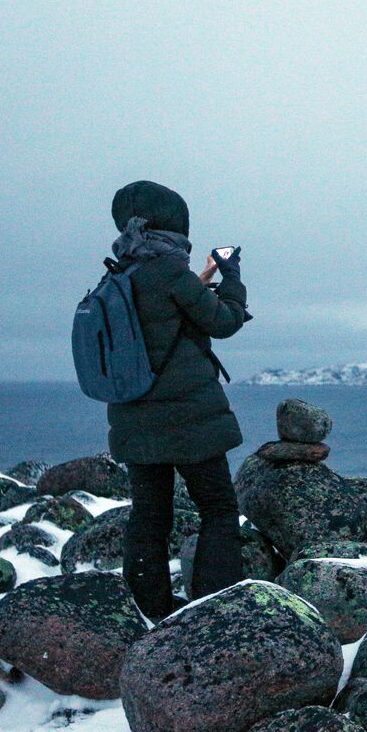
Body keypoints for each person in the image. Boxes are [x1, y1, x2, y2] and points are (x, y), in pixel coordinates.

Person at [105, 180, 248, 620]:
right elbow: (223, 322)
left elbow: (161, 315)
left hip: (134, 417)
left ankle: (149, 610)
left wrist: (197, 281)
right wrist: (232, 276)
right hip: (190, 420)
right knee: (219, 510)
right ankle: (212, 608)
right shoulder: (170, 273)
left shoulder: (119, 273)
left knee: (150, 515)